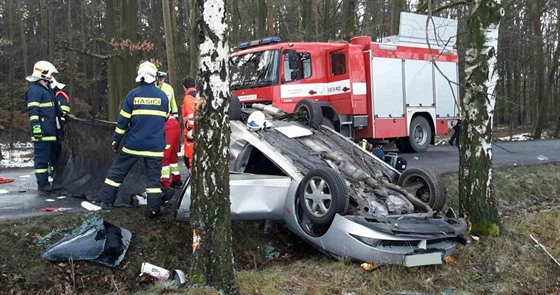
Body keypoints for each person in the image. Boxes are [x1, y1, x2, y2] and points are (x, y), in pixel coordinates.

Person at [97, 61, 170, 218]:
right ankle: (153, 210)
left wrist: (116, 141)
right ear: (155, 77)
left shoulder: (132, 95)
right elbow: (164, 118)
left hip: (133, 144)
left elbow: (122, 122)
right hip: (155, 146)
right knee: (153, 181)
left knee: (117, 173)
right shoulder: (163, 97)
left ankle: (106, 203)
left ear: (140, 78)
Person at [25, 61, 63, 192]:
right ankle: (43, 184)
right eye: (50, 74)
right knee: (42, 159)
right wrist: (36, 128)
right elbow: (33, 111)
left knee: (55, 157)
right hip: (42, 132)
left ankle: (56, 180)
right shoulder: (35, 91)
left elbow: (55, 110)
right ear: (44, 74)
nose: (52, 76)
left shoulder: (48, 90)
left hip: (52, 132)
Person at [156, 71, 182, 188]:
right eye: (159, 78)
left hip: (167, 124)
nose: (160, 80)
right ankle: (176, 179)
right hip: (171, 123)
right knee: (172, 155)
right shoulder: (166, 88)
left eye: (162, 78)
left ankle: (164, 182)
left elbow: (173, 105)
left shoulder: (165, 88)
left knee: (165, 155)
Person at [50, 78, 70, 171]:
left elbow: (63, 112)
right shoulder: (56, 95)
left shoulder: (60, 95)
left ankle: (58, 170)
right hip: (57, 127)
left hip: (60, 127)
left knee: (58, 150)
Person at [181, 77, 197, 170]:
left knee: (189, 157)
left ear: (184, 87)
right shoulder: (198, 95)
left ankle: (192, 176)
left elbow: (191, 115)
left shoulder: (188, 97)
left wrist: (191, 130)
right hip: (196, 130)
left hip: (191, 132)